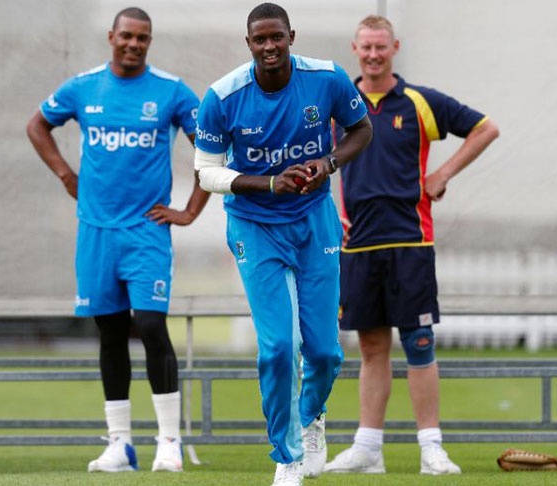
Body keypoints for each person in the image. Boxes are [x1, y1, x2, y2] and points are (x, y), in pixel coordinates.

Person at [193, 3, 372, 485]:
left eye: (277, 37)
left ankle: (312, 419)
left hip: (314, 222)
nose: (269, 46)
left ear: (291, 36)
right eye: (259, 39)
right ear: (247, 43)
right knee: (277, 348)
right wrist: (269, 183)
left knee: (325, 353)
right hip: (255, 226)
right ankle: (287, 456)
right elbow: (205, 171)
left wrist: (328, 165)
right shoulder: (223, 96)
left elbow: (362, 130)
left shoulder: (328, 78)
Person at [25, 7, 209, 473]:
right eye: (126, 35)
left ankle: (168, 441)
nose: (134, 43)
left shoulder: (170, 90)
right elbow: (37, 125)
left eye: (142, 37)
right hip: (96, 231)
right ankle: (120, 446)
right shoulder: (83, 87)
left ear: (150, 41)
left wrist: (188, 210)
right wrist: (66, 173)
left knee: (149, 325)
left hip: (147, 230)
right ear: (112, 36)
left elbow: (209, 144)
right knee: (108, 334)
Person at [324, 15, 500, 476]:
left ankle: (430, 449)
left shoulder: (421, 101)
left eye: (381, 47)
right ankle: (368, 450)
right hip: (357, 245)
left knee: (419, 343)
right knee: (371, 349)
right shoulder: (340, 104)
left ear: (394, 47)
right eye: (366, 47)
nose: (374, 54)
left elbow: (485, 128)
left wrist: (442, 174)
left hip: (411, 242)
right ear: (355, 48)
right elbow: (316, 164)